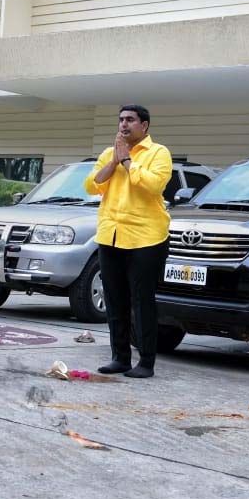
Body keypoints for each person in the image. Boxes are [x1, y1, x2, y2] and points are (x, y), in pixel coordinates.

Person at [83, 104, 172, 379]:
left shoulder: (159, 153)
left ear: (144, 126)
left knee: (142, 301)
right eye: (121, 119)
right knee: (115, 299)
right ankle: (119, 357)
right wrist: (113, 161)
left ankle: (146, 362)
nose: (124, 124)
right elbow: (91, 185)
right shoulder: (110, 154)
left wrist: (128, 163)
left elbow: (153, 186)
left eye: (130, 120)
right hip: (111, 235)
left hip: (147, 237)